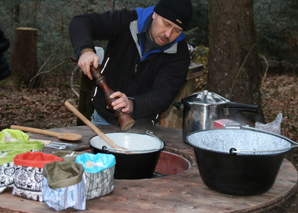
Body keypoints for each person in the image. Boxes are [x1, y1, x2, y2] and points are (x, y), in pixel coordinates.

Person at [69, 0, 193, 127]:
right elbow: (81, 22)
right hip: (103, 118)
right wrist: (86, 50)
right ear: (155, 14)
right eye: (166, 24)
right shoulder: (127, 21)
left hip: (145, 126)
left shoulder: (179, 55)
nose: (168, 34)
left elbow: (163, 95)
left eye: (177, 30)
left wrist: (132, 104)